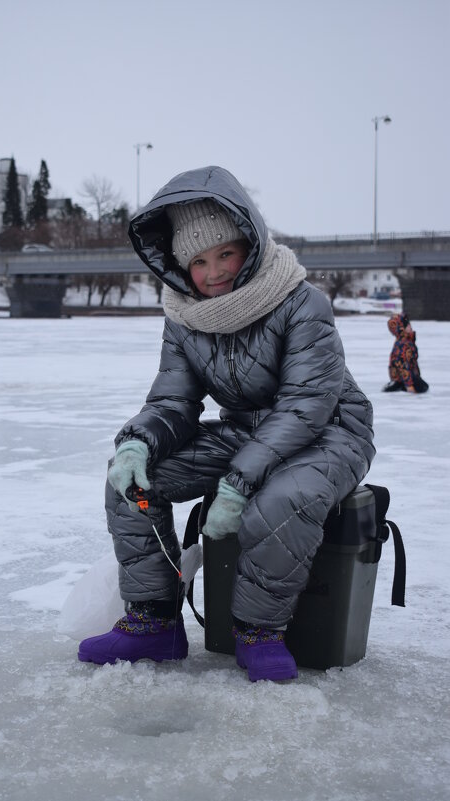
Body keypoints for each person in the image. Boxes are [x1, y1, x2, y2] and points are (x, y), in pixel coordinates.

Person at [78, 166, 376, 682]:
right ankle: (154, 621)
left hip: (331, 429)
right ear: (179, 266)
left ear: (250, 245)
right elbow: (173, 399)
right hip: (246, 431)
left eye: (225, 254)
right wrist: (135, 444)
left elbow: (308, 402)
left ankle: (258, 632)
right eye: (197, 261)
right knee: (131, 484)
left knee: (280, 500)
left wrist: (239, 481)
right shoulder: (185, 318)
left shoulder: (302, 302)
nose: (213, 271)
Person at [383, 313, 428, 394]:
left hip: (410, 377)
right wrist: (409, 385)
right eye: (407, 325)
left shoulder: (407, 341)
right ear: (401, 329)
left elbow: (412, 362)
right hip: (402, 381)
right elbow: (402, 365)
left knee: (424, 387)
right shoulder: (403, 344)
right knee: (422, 388)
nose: (410, 327)